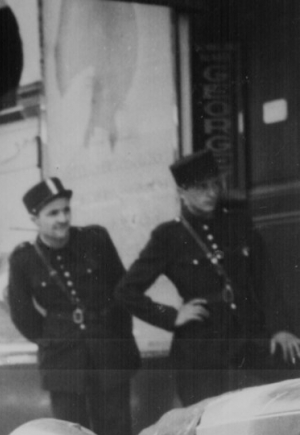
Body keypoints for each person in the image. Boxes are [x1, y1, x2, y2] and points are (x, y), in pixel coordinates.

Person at [116, 149, 300, 407]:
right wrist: (171, 316)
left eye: (215, 184)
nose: (211, 193)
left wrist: (281, 328)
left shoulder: (239, 224)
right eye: (201, 187)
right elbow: (126, 291)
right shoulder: (168, 236)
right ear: (181, 192)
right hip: (200, 350)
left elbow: (265, 280)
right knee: (207, 424)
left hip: (249, 339)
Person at [7, 178, 140, 435]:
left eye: (66, 210)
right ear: (35, 218)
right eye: (53, 213)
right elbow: (22, 315)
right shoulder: (24, 259)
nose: (63, 218)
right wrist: (53, 336)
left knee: (117, 433)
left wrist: (117, 337)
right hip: (62, 358)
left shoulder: (95, 240)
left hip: (108, 349)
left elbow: (122, 290)